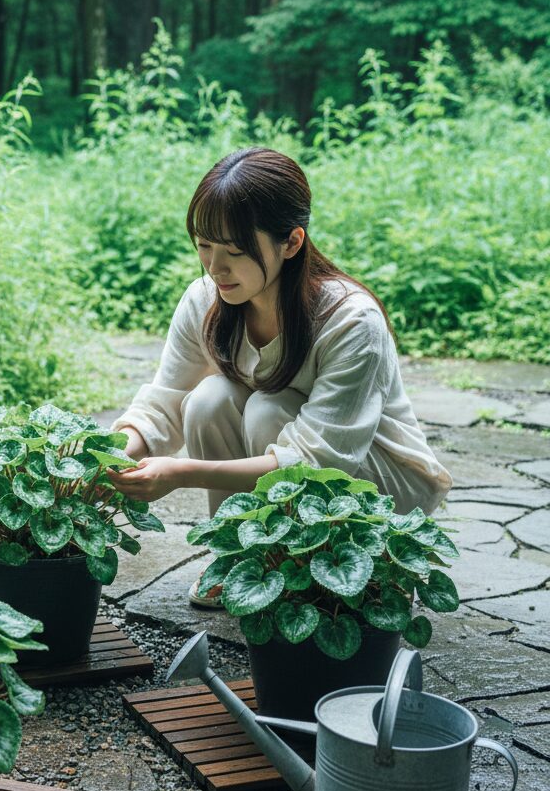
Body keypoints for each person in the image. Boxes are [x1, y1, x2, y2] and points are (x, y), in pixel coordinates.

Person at [106, 146, 453, 607]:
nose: (215, 267)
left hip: (381, 479)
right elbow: (166, 402)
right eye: (204, 246)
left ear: (292, 242)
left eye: (234, 251)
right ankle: (239, 556)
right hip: (298, 464)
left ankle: (308, 567)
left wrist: (181, 472)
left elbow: (319, 461)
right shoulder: (206, 300)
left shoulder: (350, 320)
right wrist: (114, 458)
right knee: (209, 399)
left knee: (268, 410)